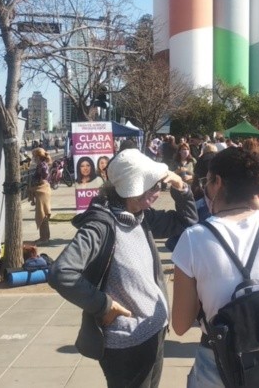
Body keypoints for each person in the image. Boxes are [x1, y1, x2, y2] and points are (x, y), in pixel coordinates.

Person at [49, 149, 197, 388]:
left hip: (155, 331)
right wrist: (103, 305)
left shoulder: (141, 215)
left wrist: (181, 188)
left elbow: (187, 224)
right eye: (153, 187)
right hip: (126, 344)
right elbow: (61, 272)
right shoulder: (101, 226)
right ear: (133, 190)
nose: (158, 192)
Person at [171, 147, 259, 387]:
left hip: (220, 365)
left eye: (208, 181)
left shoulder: (193, 239)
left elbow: (181, 325)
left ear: (219, 182)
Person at [31, 148, 52, 244]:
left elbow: (45, 175)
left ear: (38, 157)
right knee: (43, 214)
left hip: (42, 191)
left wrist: (39, 182)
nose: (33, 158)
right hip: (43, 191)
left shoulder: (42, 165)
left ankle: (44, 238)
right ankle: (44, 237)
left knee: (42, 214)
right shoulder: (42, 164)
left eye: (34, 156)